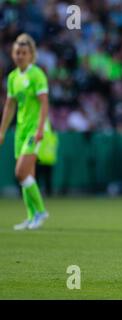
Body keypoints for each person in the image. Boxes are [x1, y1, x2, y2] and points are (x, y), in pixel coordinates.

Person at [0, 33, 53, 230]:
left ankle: (41, 211)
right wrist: (2, 131)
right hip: (21, 130)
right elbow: (10, 106)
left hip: (34, 129)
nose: (20, 56)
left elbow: (44, 103)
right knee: (27, 175)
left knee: (20, 172)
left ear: (31, 55)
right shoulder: (13, 77)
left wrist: (40, 129)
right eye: (17, 52)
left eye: (24, 52)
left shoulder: (37, 75)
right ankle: (32, 217)